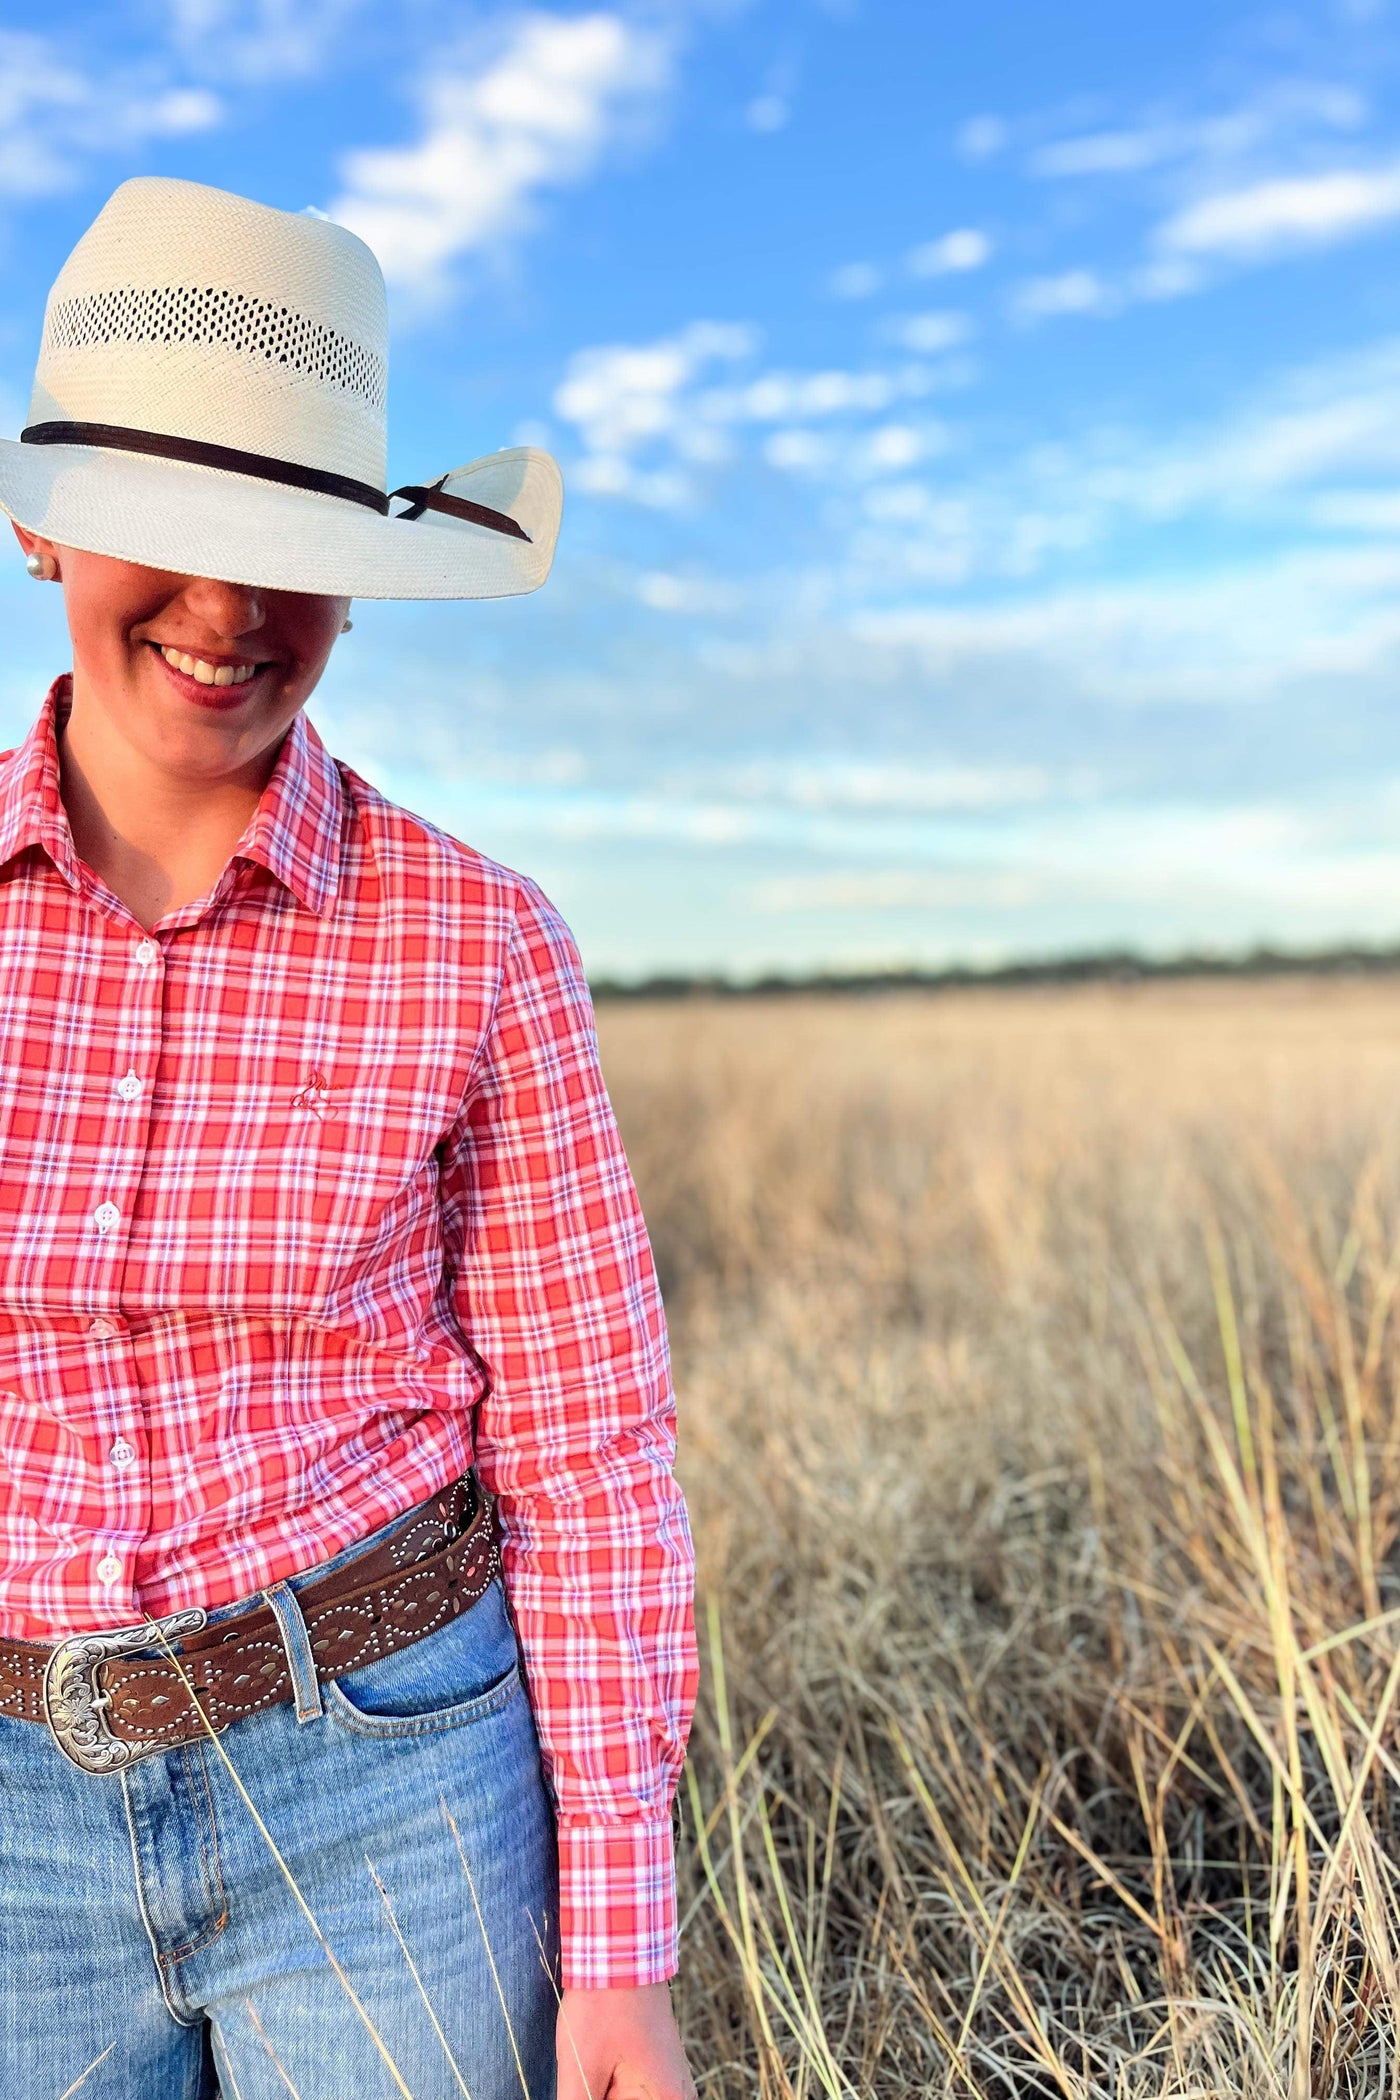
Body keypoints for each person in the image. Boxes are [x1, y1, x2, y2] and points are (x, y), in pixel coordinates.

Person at [0, 176, 698, 2100]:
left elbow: (589, 1439)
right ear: (44, 520)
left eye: (289, 546)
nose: (228, 610)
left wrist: (621, 1945)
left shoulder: (477, 940)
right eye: (171, 532)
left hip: (391, 1773)